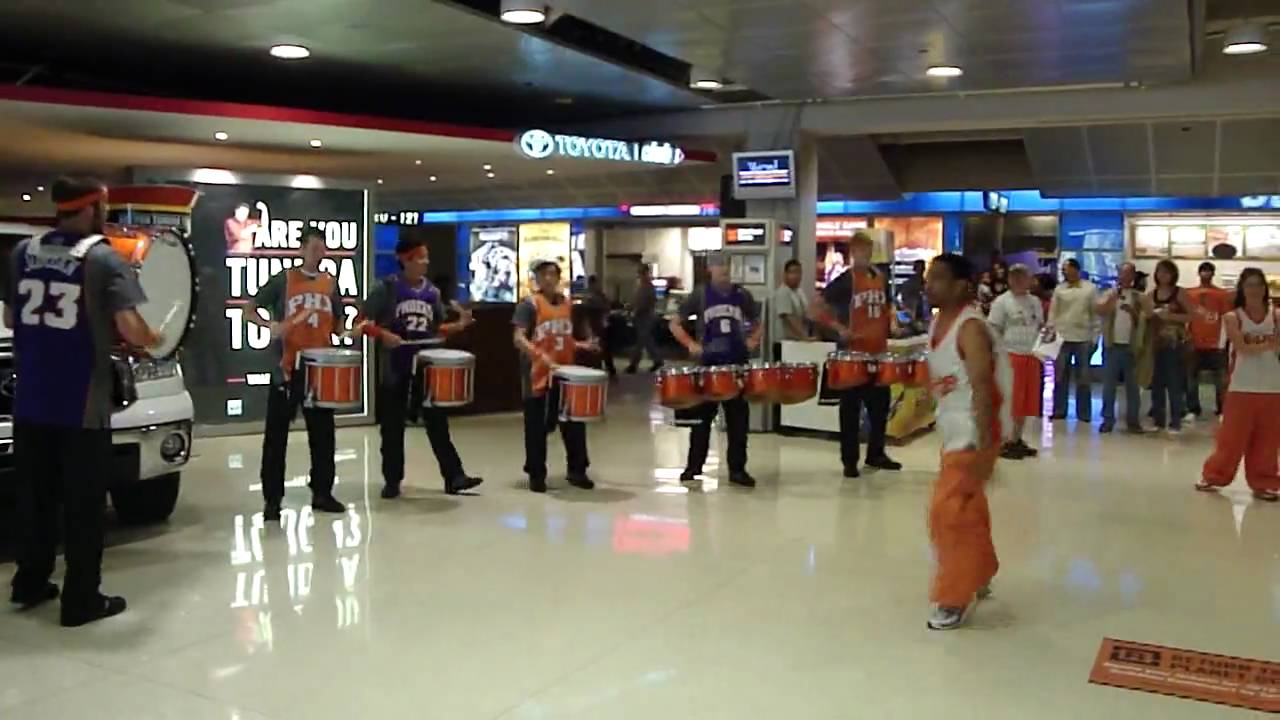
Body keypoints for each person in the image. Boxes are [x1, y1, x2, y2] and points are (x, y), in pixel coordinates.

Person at [5, 177, 163, 626]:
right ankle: (81, 599)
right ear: (91, 207)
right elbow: (132, 328)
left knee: (34, 498)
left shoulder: (23, 255)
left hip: (30, 400)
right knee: (83, 504)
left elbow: (10, 317)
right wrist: (154, 339)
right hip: (80, 404)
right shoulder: (101, 258)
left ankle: (30, 582)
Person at [922, 253, 1012, 630]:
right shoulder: (937, 323)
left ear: (962, 286)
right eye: (929, 278)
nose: (930, 285)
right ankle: (980, 570)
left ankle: (953, 596)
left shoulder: (970, 327)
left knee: (947, 515)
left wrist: (984, 441)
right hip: (954, 431)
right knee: (968, 509)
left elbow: (981, 388)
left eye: (939, 278)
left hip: (973, 434)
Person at [356, 237, 483, 499]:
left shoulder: (432, 293)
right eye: (420, 257)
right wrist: (383, 335)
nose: (425, 262)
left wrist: (459, 326)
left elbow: (435, 330)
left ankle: (454, 476)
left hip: (425, 367)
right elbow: (361, 323)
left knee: (437, 423)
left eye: (426, 257)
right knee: (392, 428)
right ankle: (392, 480)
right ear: (405, 260)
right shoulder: (386, 288)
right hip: (395, 367)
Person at [247, 227, 347, 520]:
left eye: (322, 247)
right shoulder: (284, 279)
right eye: (313, 247)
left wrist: (352, 332)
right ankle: (273, 499)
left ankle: (322, 492)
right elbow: (250, 310)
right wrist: (271, 327)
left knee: (323, 435)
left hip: (320, 368)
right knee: (276, 437)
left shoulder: (330, 284)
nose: (318, 252)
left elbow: (338, 325)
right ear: (301, 249)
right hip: (287, 369)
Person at [810, 231, 902, 478]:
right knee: (850, 410)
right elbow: (816, 306)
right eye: (860, 251)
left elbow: (888, 305)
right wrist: (839, 328)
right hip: (853, 355)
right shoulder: (846, 280)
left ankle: (876, 453)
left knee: (880, 408)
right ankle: (849, 460)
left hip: (878, 353)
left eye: (868, 251)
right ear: (853, 253)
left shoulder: (880, 277)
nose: (865, 256)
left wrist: (892, 321)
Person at [670, 251, 763, 487]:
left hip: (736, 366)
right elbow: (675, 323)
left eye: (727, 265)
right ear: (710, 269)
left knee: (738, 422)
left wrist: (754, 339)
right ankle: (693, 467)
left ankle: (738, 469)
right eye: (719, 265)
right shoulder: (700, 295)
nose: (723, 270)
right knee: (701, 421)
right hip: (708, 367)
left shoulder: (742, 295)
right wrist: (690, 344)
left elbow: (759, 321)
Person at [513, 258, 598, 493]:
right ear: (537, 279)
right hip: (537, 374)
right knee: (537, 426)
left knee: (573, 424)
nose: (548, 278)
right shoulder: (529, 304)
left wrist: (583, 346)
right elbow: (519, 338)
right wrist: (540, 356)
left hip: (565, 374)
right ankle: (536, 473)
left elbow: (565, 339)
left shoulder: (568, 305)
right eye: (543, 275)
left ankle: (577, 470)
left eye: (552, 274)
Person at [1198, 268, 1280, 502]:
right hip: (1241, 386)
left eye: (1259, 285)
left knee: (1268, 440)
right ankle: (1214, 475)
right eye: (1250, 285)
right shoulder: (1233, 317)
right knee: (1231, 438)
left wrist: (1258, 343)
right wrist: (1268, 343)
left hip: (1274, 386)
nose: (1255, 290)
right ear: (1242, 289)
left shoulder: (1275, 316)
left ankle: (1265, 482)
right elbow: (1242, 347)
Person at [986, 264, 1043, 458]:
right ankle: (1005, 440)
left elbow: (1040, 326)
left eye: (1023, 277)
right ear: (1009, 280)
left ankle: (1017, 438)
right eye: (1015, 277)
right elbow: (993, 330)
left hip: (1031, 355)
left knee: (1027, 401)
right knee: (1010, 401)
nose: (1019, 281)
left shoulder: (1034, 301)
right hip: (1011, 356)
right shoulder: (1002, 302)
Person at [1096, 262, 1147, 434]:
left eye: (1128, 274)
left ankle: (1133, 420)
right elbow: (1100, 310)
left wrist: (1133, 312)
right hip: (1112, 345)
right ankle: (1107, 419)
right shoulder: (1110, 293)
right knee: (1109, 384)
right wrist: (1113, 300)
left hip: (1131, 347)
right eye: (1121, 273)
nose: (1124, 277)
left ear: (1133, 276)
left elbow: (1146, 317)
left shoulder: (1139, 296)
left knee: (1133, 386)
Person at [1048, 258, 1097, 422]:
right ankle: (1059, 409)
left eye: (1067, 269)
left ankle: (1084, 413)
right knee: (1060, 376)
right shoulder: (1059, 289)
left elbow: (1094, 314)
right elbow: (1053, 313)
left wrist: (1095, 337)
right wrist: (1050, 332)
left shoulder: (1090, 289)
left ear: (1076, 270)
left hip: (1083, 337)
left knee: (1083, 377)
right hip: (1062, 336)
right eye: (1063, 270)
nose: (1064, 272)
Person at [1147, 259, 1191, 435]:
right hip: (1156, 343)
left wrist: (1171, 316)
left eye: (1166, 272)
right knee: (1156, 383)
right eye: (1160, 272)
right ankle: (1158, 420)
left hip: (1175, 344)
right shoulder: (1152, 294)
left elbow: (1191, 316)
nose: (1162, 275)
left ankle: (1175, 421)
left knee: (1174, 383)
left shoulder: (1180, 294)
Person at [1185, 261, 1232, 419]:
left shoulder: (1222, 294)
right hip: (1194, 342)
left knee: (1220, 380)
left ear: (1213, 274)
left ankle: (1222, 409)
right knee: (1191, 378)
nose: (1205, 274)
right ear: (1199, 273)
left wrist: (1223, 342)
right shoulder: (1189, 294)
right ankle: (1192, 409)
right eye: (1203, 271)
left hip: (1215, 343)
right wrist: (1187, 338)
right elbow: (1187, 318)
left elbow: (1226, 318)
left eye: (1208, 271)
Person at [626, 264, 663, 373]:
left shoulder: (647, 286)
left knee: (641, 341)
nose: (640, 275)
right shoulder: (643, 286)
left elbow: (643, 303)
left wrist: (634, 310)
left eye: (641, 273)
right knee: (646, 341)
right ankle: (657, 360)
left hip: (645, 317)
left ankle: (633, 364)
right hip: (643, 317)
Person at [583, 275, 618, 376]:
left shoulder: (592, 296)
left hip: (597, 325)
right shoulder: (599, 295)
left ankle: (602, 368)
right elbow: (607, 306)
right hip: (600, 324)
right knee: (603, 348)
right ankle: (607, 368)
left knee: (602, 347)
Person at [773, 259, 813, 341]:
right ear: (785, 275)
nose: (796, 276)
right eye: (793, 272)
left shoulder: (799, 292)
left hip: (798, 341)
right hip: (785, 343)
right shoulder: (783, 292)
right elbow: (789, 318)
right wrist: (804, 337)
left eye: (799, 272)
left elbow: (806, 314)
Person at [896, 259, 930, 334]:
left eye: (922, 267)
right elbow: (899, 300)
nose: (920, 270)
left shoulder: (927, 284)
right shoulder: (909, 284)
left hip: (924, 318)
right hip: (912, 318)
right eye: (919, 267)